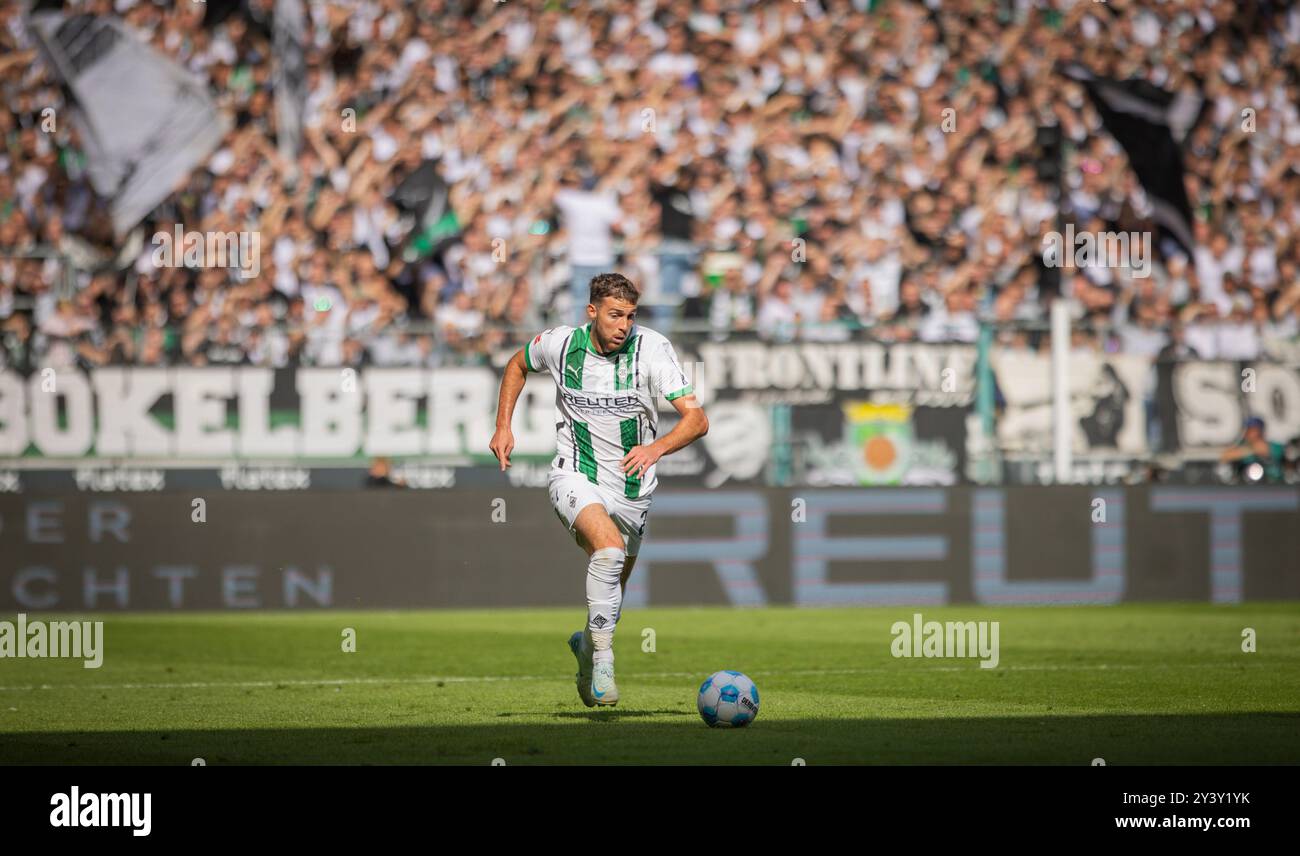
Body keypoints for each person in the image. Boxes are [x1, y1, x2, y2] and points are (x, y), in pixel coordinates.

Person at [489, 273, 708, 707]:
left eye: (630, 315)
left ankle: (587, 647)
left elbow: (697, 420)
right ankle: (605, 661)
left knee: (613, 589)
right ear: (592, 312)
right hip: (575, 473)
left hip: (632, 486)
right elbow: (516, 365)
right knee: (607, 552)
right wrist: (502, 426)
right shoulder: (560, 344)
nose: (624, 325)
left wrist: (656, 448)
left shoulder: (652, 350)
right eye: (614, 315)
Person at [1219, 416, 1285, 484]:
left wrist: (1262, 450)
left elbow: (1282, 452)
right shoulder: (1243, 447)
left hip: (1273, 484)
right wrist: (1250, 450)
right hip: (1247, 485)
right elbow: (1225, 456)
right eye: (1248, 429)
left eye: (1253, 429)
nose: (1249, 432)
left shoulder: (1273, 446)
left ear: (1261, 430)